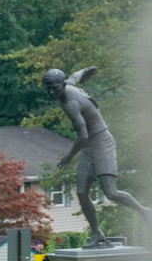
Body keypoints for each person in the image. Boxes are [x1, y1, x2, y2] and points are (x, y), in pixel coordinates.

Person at [45, 66, 152, 248]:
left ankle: (146, 212)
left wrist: (69, 156)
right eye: (48, 87)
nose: (51, 91)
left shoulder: (71, 103)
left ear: (61, 85)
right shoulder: (66, 85)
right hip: (89, 146)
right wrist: (87, 70)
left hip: (101, 142)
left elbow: (83, 135)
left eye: (54, 87)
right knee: (80, 192)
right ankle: (97, 233)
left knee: (111, 193)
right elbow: (75, 76)